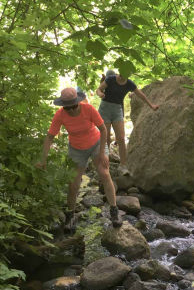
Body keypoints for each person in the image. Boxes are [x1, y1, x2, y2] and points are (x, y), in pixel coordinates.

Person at [35, 87, 122, 228]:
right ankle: (70, 216)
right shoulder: (60, 115)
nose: (71, 110)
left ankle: (114, 211)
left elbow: (103, 129)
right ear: (63, 106)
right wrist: (42, 159)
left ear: (78, 102)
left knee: (104, 173)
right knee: (73, 185)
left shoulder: (88, 109)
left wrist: (102, 154)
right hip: (76, 149)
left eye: (74, 106)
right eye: (67, 108)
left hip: (96, 144)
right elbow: (50, 137)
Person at [97, 69, 159, 175]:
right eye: (120, 74)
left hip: (117, 110)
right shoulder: (111, 79)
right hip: (105, 109)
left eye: (123, 75)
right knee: (105, 139)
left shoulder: (129, 83)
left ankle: (123, 166)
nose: (120, 77)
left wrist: (151, 105)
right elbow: (99, 89)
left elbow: (141, 95)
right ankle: (104, 164)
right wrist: (100, 94)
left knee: (121, 138)